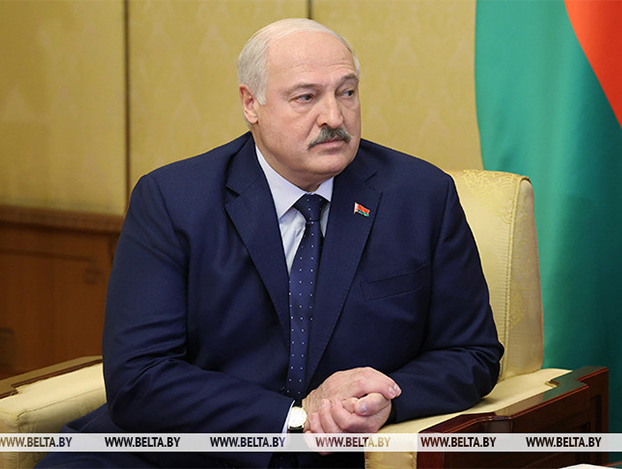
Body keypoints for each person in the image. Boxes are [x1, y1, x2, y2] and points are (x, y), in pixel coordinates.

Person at [38, 18, 502, 468]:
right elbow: (140, 377)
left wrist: (381, 403)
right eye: (306, 97)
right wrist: (295, 419)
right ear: (251, 104)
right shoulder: (173, 200)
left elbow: (472, 354)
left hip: (343, 454)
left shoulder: (420, 196)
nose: (334, 117)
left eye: (347, 92)